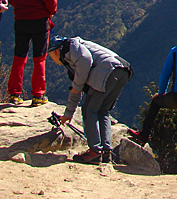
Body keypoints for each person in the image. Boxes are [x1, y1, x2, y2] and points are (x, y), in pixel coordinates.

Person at [48, 36, 133, 165]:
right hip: (122, 70)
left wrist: (69, 111)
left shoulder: (71, 48)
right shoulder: (75, 47)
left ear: (54, 51)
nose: (53, 60)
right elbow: (77, 87)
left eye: (51, 56)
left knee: (89, 110)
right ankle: (106, 152)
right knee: (103, 111)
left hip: (107, 71)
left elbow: (85, 62)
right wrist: (68, 114)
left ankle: (94, 152)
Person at [128, 25, 177, 144]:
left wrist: (160, 94)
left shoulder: (175, 51)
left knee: (155, 102)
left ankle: (144, 135)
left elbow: (165, 75)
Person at [6, 0, 57, 107]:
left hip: (20, 21)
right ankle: (38, 94)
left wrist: (21, 9)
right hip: (39, 22)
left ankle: (14, 93)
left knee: (19, 56)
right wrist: (50, 12)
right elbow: (51, 1)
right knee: (39, 57)